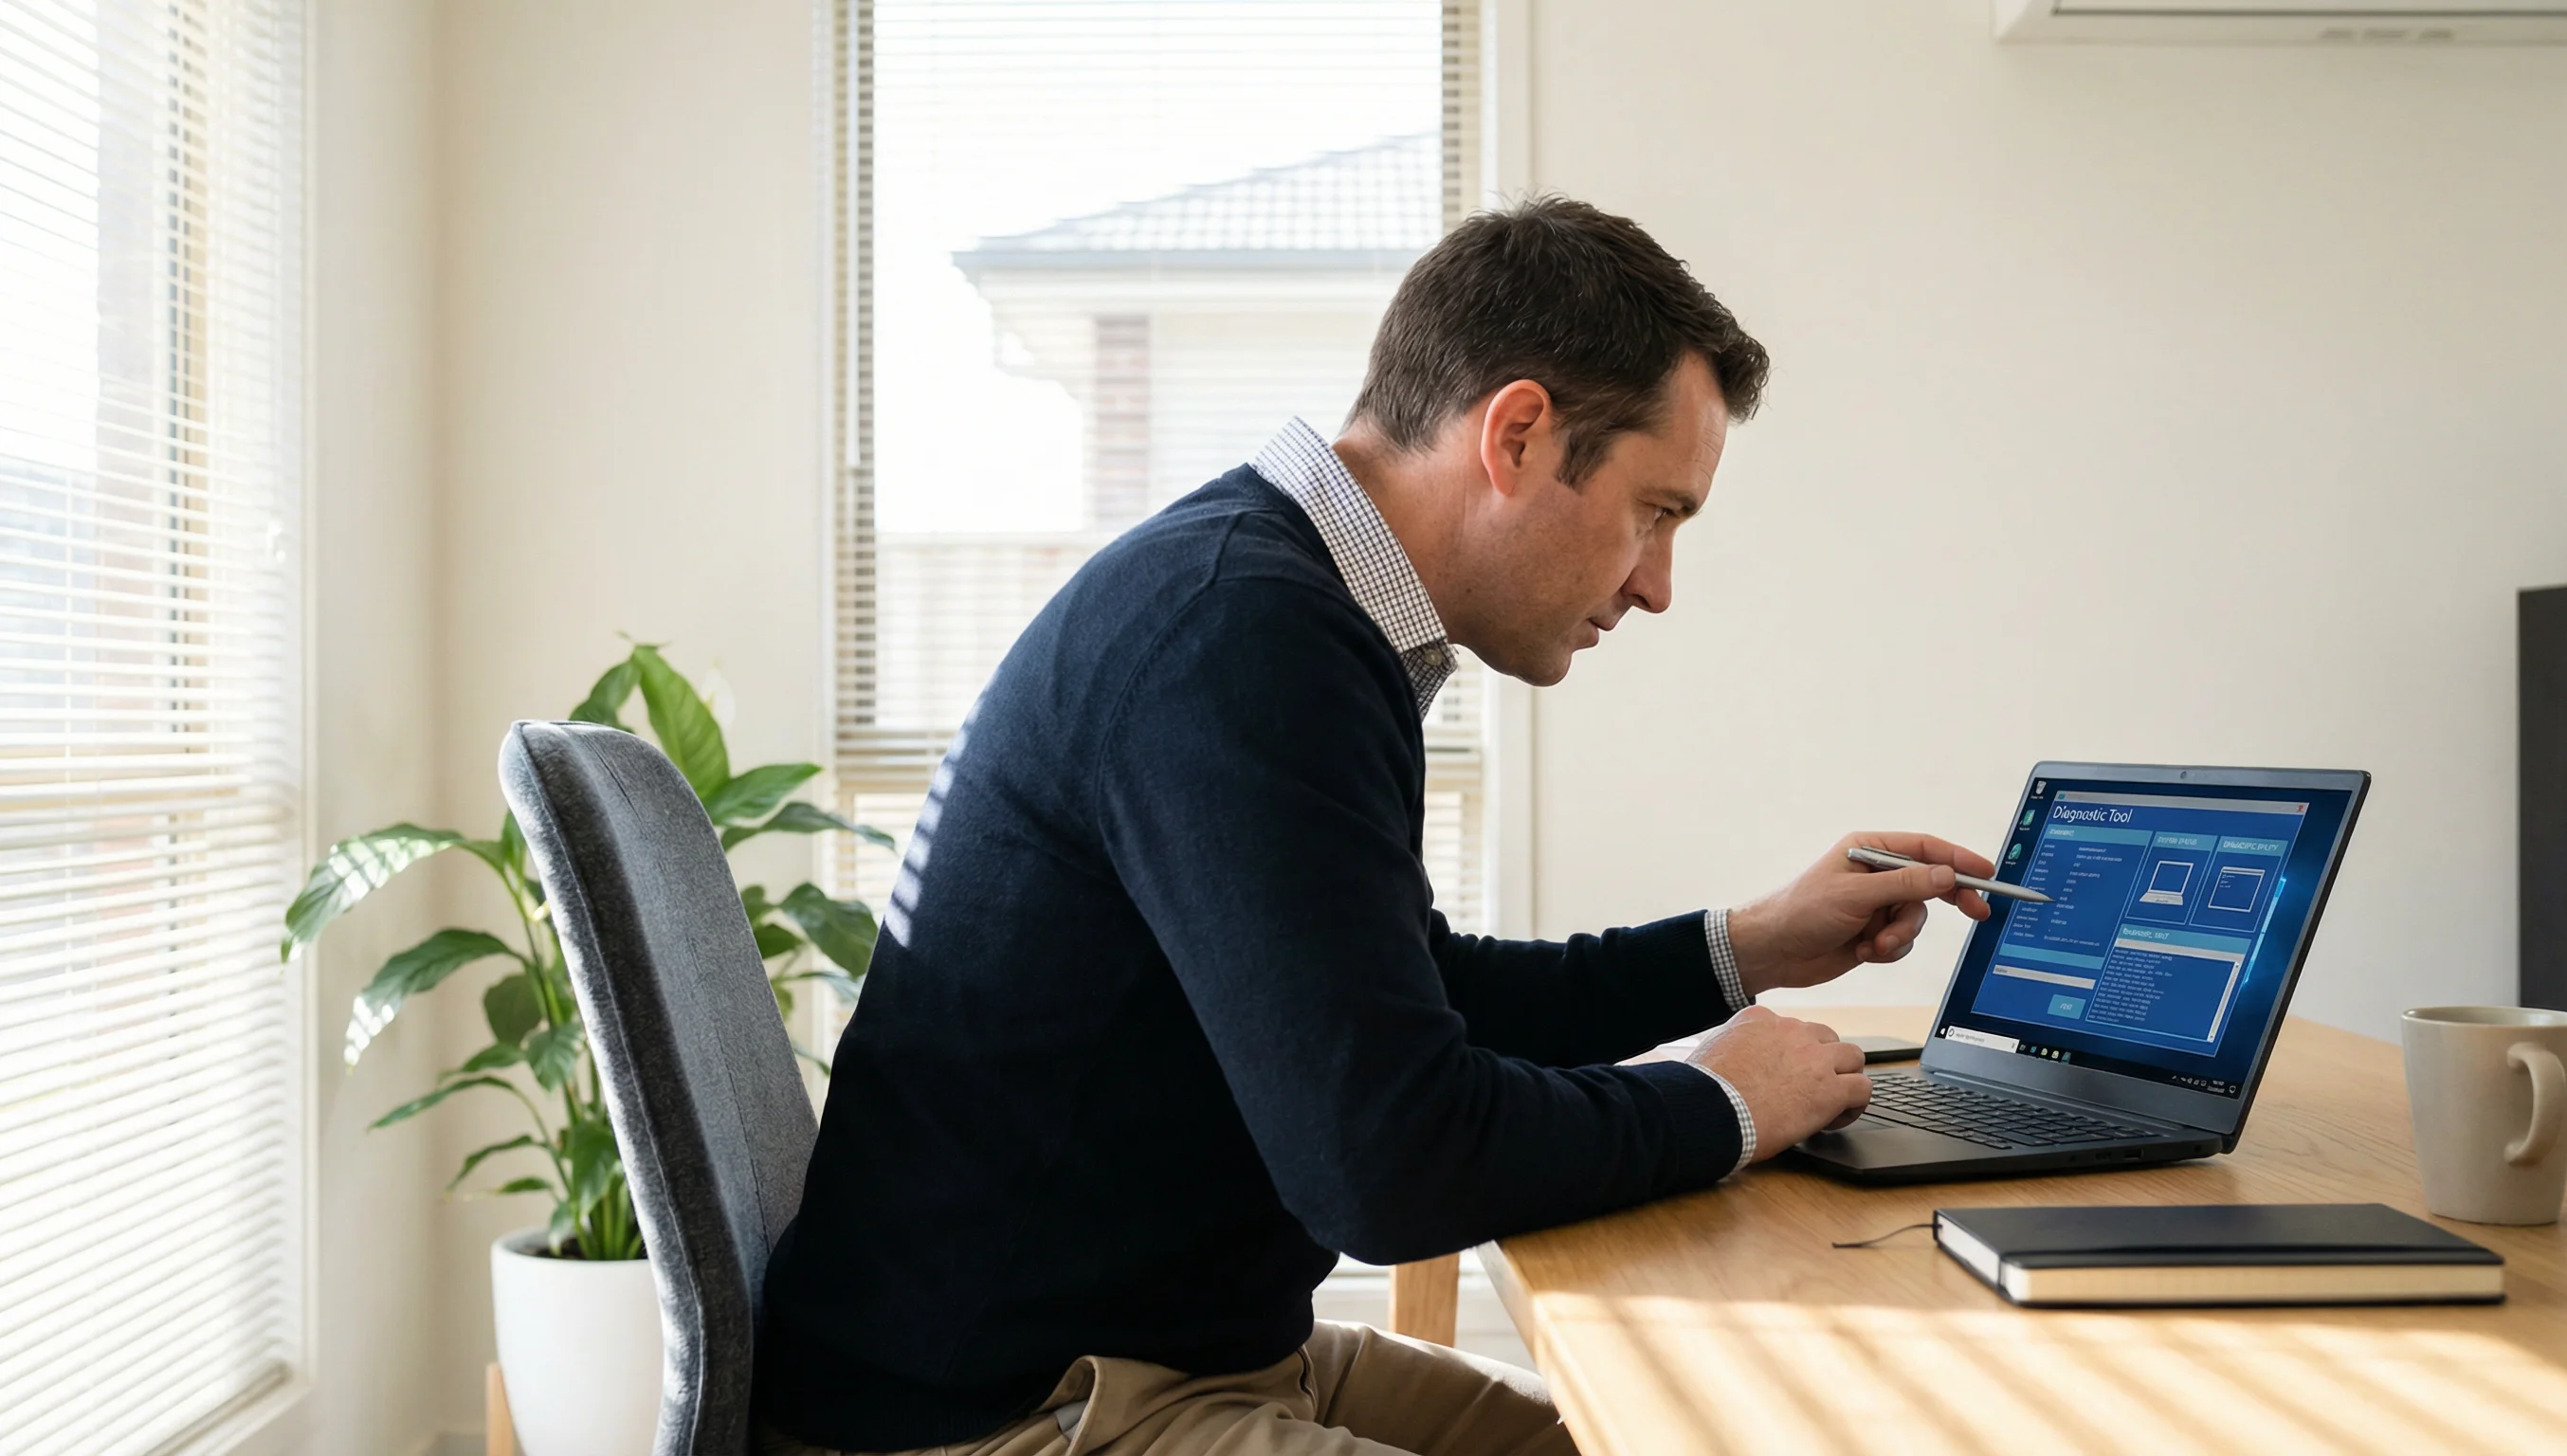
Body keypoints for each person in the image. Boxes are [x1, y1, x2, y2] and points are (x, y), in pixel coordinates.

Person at [754, 197, 1995, 1456]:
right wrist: (1719, 1104)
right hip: (1000, 1416)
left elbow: (1409, 1001)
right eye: (1656, 511)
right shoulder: (1239, 635)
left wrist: (1748, 946)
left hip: (1165, 1353)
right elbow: (1391, 1164)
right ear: (1518, 434)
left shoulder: (1274, 601)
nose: (1657, 586)